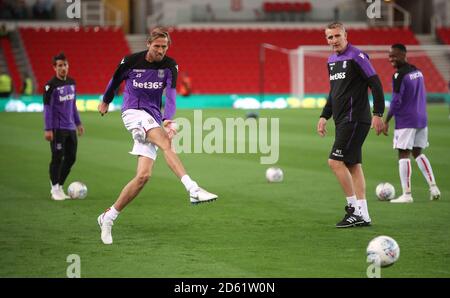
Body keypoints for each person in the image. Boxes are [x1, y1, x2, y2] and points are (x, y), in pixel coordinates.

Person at [97, 27, 218, 245]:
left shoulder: (170, 66)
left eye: (164, 47)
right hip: (132, 113)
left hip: (152, 117)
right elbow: (115, 81)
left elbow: (170, 95)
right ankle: (192, 188)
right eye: (157, 46)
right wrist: (106, 100)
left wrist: (168, 119)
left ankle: (108, 217)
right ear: (148, 45)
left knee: (143, 176)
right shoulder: (131, 61)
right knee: (165, 141)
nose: (160, 50)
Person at [317, 22, 385, 228]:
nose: (334, 40)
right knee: (353, 165)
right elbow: (334, 93)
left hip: (355, 118)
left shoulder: (358, 56)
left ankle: (353, 210)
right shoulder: (331, 60)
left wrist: (378, 113)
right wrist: (324, 116)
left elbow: (376, 83)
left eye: (337, 36)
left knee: (335, 162)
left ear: (346, 35)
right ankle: (364, 215)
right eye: (330, 37)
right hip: (342, 119)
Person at [383, 44, 441, 203]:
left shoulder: (398, 75)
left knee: (403, 154)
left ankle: (407, 194)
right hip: (421, 118)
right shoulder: (418, 72)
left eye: (394, 56)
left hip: (406, 120)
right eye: (390, 56)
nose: (391, 59)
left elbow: (395, 101)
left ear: (403, 55)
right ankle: (433, 187)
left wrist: (386, 121)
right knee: (418, 153)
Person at [43, 52, 84, 201]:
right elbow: (47, 108)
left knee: (71, 158)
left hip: (70, 127)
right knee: (57, 157)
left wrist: (78, 123)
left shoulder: (72, 82)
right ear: (54, 67)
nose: (63, 68)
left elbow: (73, 105)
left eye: (65, 65)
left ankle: (59, 185)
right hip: (57, 128)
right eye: (60, 66)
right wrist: (48, 129)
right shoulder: (50, 86)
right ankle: (54, 188)